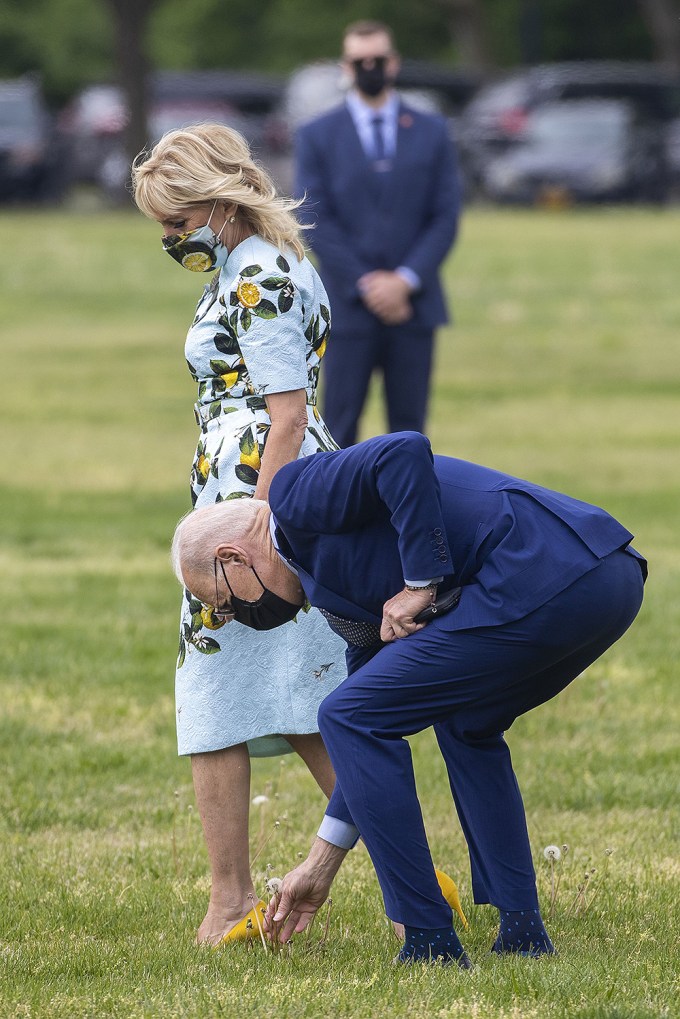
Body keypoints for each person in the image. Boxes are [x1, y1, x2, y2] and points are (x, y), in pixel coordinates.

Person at [171, 432, 646, 965]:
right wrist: (320, 863)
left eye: (224, 604)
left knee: (347, 715)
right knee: (464, 722)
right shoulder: (334, 599)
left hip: (553, 570)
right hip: (603, 579)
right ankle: (522, 931)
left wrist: (421, 581)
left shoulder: (293, 493)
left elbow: (402, 452)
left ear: (233, 557)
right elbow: (363, 727)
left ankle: (428, 939)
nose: (233, 617)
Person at [131, 123, 347, 946]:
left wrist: (260, 520)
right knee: (304, 694)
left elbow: (286, 416)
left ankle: (231, 901)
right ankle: (412, 869)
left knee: (227, 688)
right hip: (247, 487)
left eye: (175, 219)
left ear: (217, 203)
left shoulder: (256, 272)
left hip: (256, 495)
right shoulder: (262, 262)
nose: (169, 238)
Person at [294, 20, 462, 448]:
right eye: (359, 61)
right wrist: (369, 283)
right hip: (349, 305)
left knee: (410, 433)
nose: (370, 67)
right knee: (338, 427)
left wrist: (404, 281)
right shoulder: (317, 136)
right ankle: (340, 516)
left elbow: (444, 216)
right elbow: (315, 218)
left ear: (395, 63)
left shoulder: (431, 131)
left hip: (414, 306)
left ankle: (406, 516)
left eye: (379, 60)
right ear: (346, 67)